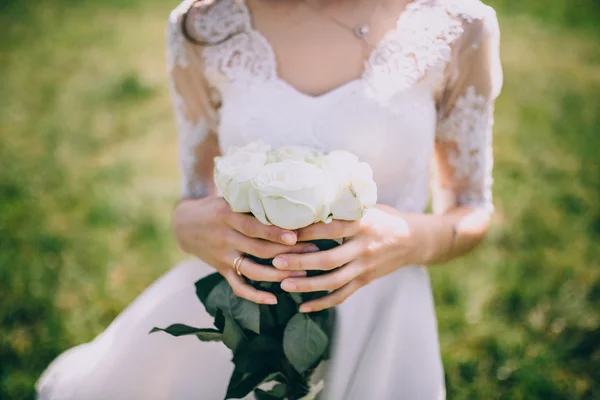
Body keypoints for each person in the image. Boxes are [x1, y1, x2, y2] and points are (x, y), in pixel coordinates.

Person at [36, 0, 503, 398]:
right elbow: (195, 198)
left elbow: (471, 206)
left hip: (382, 312)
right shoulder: (207, 25)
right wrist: (188, 226)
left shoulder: (458, 25)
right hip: (241, 304)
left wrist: (410, 238)